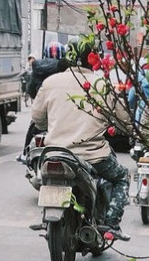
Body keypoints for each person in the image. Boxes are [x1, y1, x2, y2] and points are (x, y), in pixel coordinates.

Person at [30, 38, 132, 241]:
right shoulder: (101, 84)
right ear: (92, 60)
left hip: (54, 153)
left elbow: (37, 119)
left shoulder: (50, 82)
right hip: (94, 156)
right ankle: (111, 224)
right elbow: (124, 119)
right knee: (121, 178)